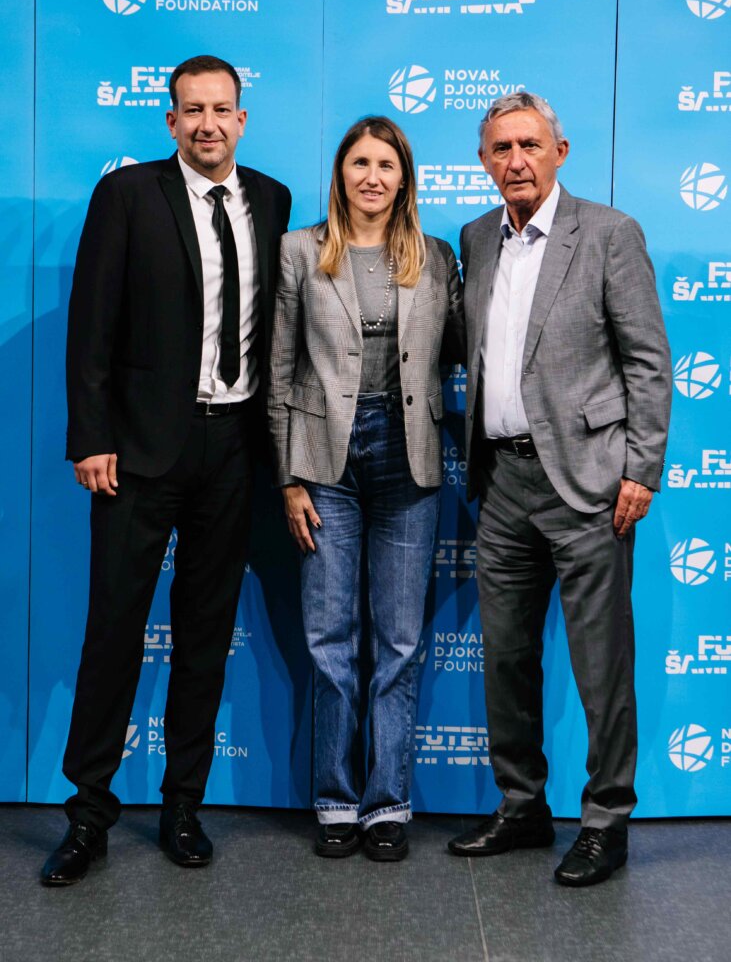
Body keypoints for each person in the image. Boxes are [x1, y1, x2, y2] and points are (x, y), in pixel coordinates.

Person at [41, 55, 291, 886]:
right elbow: (91, 325)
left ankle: (184, 805)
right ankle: (88, 814)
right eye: (193, 110)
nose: (208, 124)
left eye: (222, 109)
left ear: (242, 119)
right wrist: (91, 437)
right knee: (114, 631)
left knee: (205, 638)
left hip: (234, 450)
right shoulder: (127, 194)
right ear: (171, 120)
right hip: (139, 452)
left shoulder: (272, 199)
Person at [446, 92, 671, 886]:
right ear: (483, 161)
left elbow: (647, 360)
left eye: (529, 145)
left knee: (600, 665)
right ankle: (521, 807)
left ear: (559, 151)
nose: (515, 161)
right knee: (505, 659)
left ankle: (605, 820)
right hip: (501, 481)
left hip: (589, 482)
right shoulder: (476, 238)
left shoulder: (608, 233)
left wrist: (640, 467)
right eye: (500, 148)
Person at [268, 116, 464, 861]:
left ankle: (387, 804)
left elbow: (459, 350)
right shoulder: (300, 250)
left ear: (404, 177)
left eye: (386, 164)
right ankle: (335, 800)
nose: (372, 176)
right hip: (326, 464)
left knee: (399, 641)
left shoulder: (435, 257)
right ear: (340, 173)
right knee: (328, 641)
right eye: (360, 163)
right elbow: (279, 371)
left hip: (409, 461)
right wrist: (288, 477)